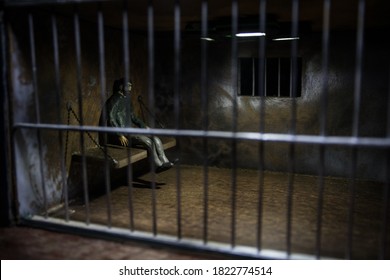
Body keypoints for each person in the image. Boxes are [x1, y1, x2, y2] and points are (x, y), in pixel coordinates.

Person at [99, 78, 174, 173]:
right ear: (121, 86)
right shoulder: (114, 100)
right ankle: (157, 165)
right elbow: (111, 119)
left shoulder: (127, 100)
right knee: (148, 142)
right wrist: (119, 134)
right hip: (122, 135)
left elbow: (133, 116)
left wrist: (144, 126)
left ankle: (165, 162)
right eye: (128, 85)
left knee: (155, 138)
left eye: (131, 85)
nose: (130, 88)